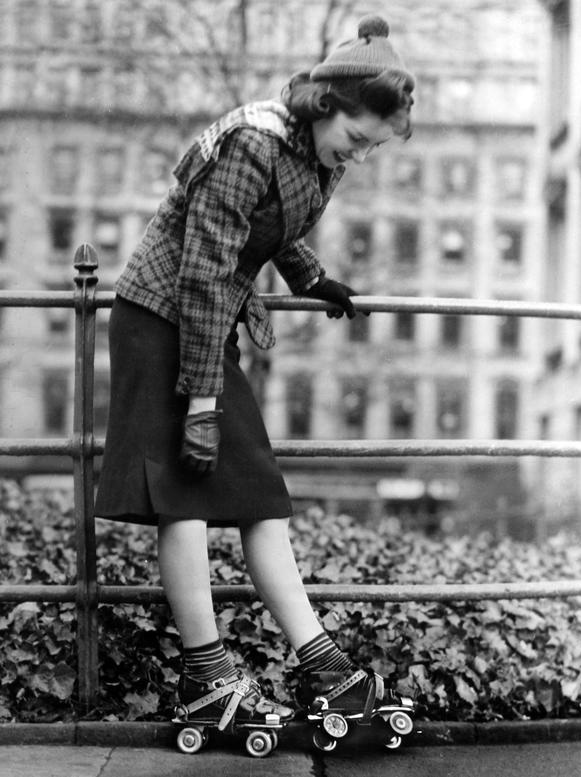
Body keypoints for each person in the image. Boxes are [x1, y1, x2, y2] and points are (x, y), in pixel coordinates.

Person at [95, 13, 415, 732]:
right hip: (162, 318)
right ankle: (208, 679)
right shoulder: (253, 140)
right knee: (183, 494)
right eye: (357, 139)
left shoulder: (313, 153)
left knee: (259, 493)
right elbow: (206, 270)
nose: (357, 157)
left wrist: (310, 275)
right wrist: (202, 401)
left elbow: (272, 225)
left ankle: (323, 665)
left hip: (201, 326)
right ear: (326, 105)